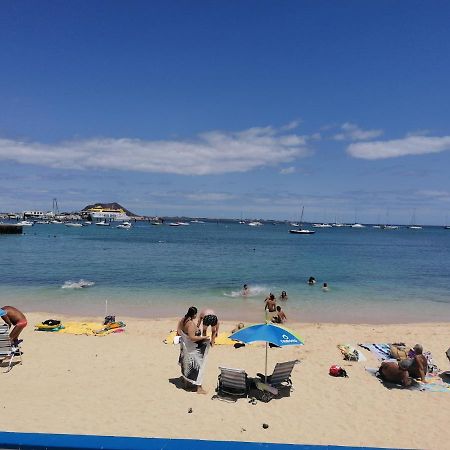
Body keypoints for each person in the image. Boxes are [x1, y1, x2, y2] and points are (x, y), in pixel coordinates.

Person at [177, 307, 210, 394]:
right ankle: (199, 388)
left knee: (187, 364)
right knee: (199, 366)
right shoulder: (190, 324)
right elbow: (192, 338)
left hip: (186, 347)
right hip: (193, 348)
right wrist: (204, 337)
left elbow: (179, 331)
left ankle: (186, 382)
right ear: (194, 314)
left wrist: (185, 339)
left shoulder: (183, 320)